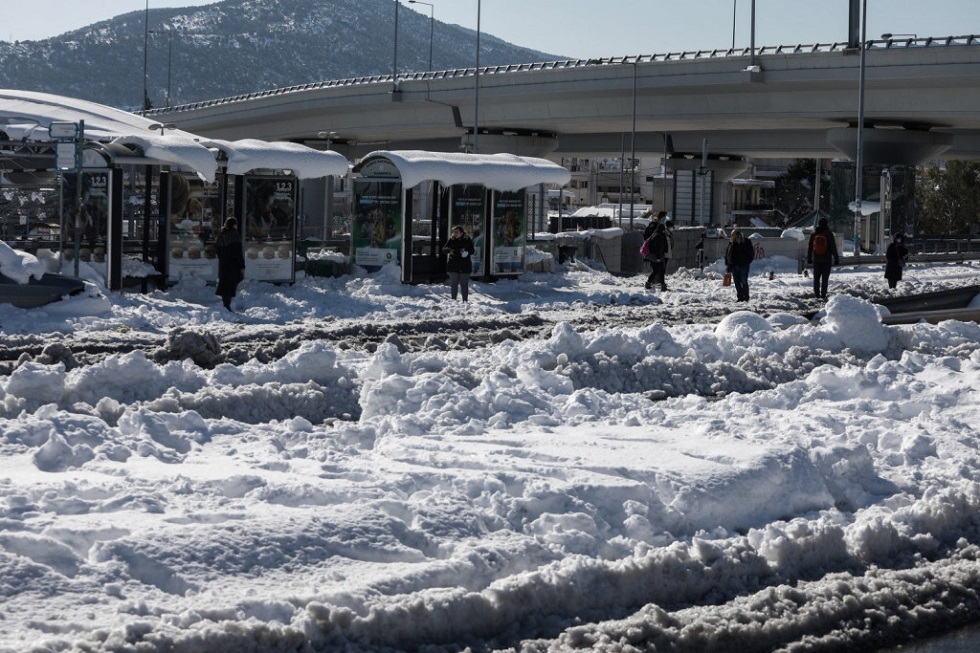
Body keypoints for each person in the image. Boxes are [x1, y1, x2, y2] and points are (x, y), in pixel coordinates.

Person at [215, 217, 246, 312]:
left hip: (224, 264)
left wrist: (223, 258)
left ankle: (225, 304)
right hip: (233, 264)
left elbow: (217, 249)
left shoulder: (222, 235)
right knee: (231, 284)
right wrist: (242, 265)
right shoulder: (234, 235)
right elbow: (237, 252)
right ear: (234, 225)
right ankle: (227, 305)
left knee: (225, 284)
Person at [807, 217, 841, 300]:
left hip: (816, 260)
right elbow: (833, 247)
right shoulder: (828, 233)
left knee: (816, 278)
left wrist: (809, 258)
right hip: (827, 260)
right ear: (826, 224)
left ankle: (817, 295)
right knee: (825, 279)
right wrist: (836, 258)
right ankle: (823, 295)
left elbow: (810, 247)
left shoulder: (814, 234)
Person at [442, 225, 476, 301]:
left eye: (456, 232)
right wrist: (449, 250)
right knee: (454, 284)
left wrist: (467, 252)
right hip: (453, 265)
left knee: (464, 284)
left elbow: (472, 250)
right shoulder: (452, 239)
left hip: (465, 265)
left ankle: (465, 301)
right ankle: (453, 300)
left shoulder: (467, 239)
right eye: (454, 232)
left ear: (461, 232)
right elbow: (444, 249)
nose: (455, 234)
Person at [725, 229, 755, 302]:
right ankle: (740, 297)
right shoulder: (732, 243)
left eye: (733, 235)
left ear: (738, 235)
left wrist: (747, 261)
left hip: (744, 265)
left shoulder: (745, 241)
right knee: (737, 282)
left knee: (744, 281)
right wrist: (728, 264)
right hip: (734, 265)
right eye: (732, 235)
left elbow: (751, 252)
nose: (732, 237)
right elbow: (728, 253)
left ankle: (746, 297)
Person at [643, 221, 670, 291]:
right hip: (657, 256)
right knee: (661, 271)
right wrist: (658, 257)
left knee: (655, 270)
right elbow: (659, 247)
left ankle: (648, 284)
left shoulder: (654, 234)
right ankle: (663, 286)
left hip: (652, 256)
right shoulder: (659, 236)